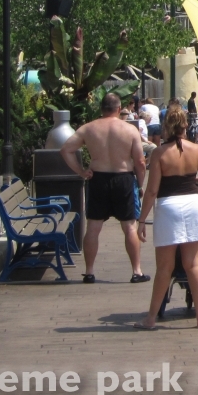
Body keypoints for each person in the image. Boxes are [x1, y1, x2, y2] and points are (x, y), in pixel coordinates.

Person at [134, 105, 198, 330]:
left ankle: (151, 318)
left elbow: (152, 190)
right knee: (194, 264)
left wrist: (141, 221)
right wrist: (194, 180)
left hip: (169, 207)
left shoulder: (159, 153)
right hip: (193, 204)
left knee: (165, 267)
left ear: (166, 126)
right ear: (186, 126)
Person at [59, 93, 149, 284]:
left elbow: (66, 149)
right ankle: (136, 271)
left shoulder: (88, 128)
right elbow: (140, 161)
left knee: (93, 227)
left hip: (98, 178)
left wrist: (81, 171)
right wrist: (139, 183)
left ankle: (89, 272)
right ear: (119, 109)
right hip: (123, 178)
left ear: (101, 109)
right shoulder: (129, 129)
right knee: (130, 227)